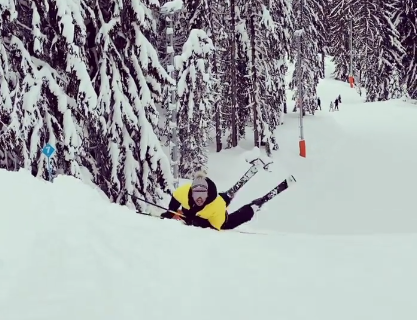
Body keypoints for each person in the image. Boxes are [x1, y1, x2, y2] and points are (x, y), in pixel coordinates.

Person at [160, 172, 264, 230]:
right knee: (220, 199)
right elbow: (176, 198)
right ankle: (226, 196)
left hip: (215, 216)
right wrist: (170, 212)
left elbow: (215, 227)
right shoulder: (184, 191)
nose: (199, 199)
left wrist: (200, 223)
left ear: (208, 194)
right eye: (196, 195)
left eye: (202, 196)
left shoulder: (216, 206)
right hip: (197, 211)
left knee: (228, 223)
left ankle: (251, 209)